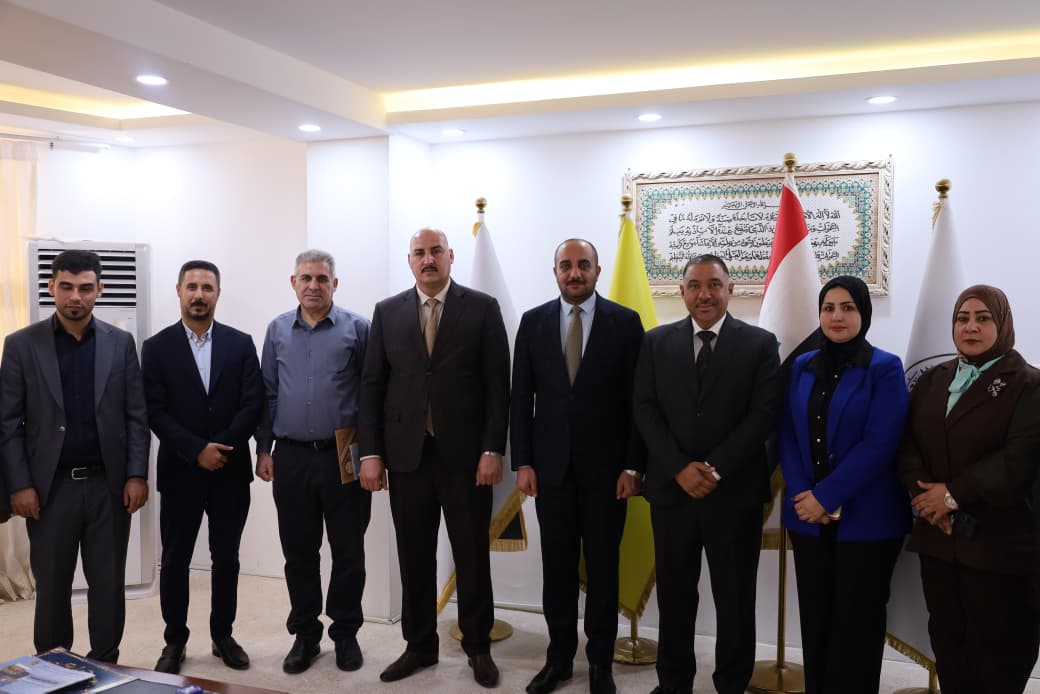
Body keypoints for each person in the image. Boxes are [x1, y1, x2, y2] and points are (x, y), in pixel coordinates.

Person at [359, 227, 510, 688]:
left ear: (451, 256)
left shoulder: (481, 308)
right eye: (420, 253)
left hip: (466, 460)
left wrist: (492, 449)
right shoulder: (387, 312)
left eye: (436, 252)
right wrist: (371, 453)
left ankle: (478, 647)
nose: (428, 259)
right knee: (414, 556)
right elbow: (372, 387)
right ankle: (419, 646)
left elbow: (498, 387)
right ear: (410, 260)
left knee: (472, 556)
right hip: (407, 458)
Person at [633, 254, 780, 694]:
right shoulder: (655, 342)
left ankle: (731, 683)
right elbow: (644, 409)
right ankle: (673, 681)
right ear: (681, 292)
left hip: (733, 494)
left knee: (734, 598)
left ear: (731, 289)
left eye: (714, 284)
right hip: (672, 492)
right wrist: (679, 467)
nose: (704, 294)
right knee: (675, 595)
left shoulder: (760, 344)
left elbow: (763, 416)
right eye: (695, 285)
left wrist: (715, 469)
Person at [0, 249, 149, 662]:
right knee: (52, 586)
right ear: (51, 287)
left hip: (108, 487)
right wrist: (20, 485)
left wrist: (137, 474)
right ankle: (54, 664)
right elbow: (8, 424)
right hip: (50, 491)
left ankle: (106, 661)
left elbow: (136, 416)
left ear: (100, 289)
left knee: (108, 584)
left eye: (85, 288)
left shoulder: (120, 344)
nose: (75, 297)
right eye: (66, 287)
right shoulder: (21, 345)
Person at [511, 239, 644, 694]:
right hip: (550, 474)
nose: (574, 273)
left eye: (583, 265)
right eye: (566, 265)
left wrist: (633, 467)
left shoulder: (625, 323)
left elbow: (638, 402)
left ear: (597, 270)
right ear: (555, 271)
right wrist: (523, 461)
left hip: (609, 477)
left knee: (605, 572)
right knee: (558, 573)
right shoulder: (532, 323)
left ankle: (601, 664)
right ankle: (559, 660)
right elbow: (520, 399)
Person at [897, 284, 1040, 694]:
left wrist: (951, 495)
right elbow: (907, 443)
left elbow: (1018, 458)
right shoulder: (933, 379)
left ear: (1003, 324)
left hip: (998, 546)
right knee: (948, 644)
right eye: (962, 318)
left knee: (997, 653)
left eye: (983, 318)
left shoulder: (1029, 383)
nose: (970, 327)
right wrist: (925, 498)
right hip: (939, 540)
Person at [778, 276, 911, 694]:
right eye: (829, 308)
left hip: (867, 519)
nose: (837, 316)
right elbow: (787, 433)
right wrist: (804, 496)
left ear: (863, 314)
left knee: (857, 624)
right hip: (808, 518)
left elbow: (880, 443)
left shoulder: (884, 368)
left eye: (848, 307)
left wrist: (826, 496)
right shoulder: (802, 366)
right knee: (816, 618)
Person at [141, 260, 264, 674]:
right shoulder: (156, 347)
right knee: (175, 560)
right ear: (178, 291)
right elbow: (154, 410)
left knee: (226, 558)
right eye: (192, 286)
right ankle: (174, 640)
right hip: (180, 471)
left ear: (218, 293)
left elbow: (252, 402)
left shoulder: (240, 343)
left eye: (207, 287)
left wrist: (221, 447)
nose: (199, 295)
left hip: (230, 470)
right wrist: (196, 450)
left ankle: (222, 635)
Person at [255, 249, 372, 674]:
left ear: (334, 284)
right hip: (291, 457)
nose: (313, 286)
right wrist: (263, 448)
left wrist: (372, 455)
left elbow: (371, 396)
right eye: (305, 278)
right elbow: (268, 393)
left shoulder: (358, 329)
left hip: (344, 454)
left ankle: (345, 634)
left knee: (348, 551)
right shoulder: (276, 331)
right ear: (293, 282)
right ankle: (305, 634)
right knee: (299, 552)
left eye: (322, 279)